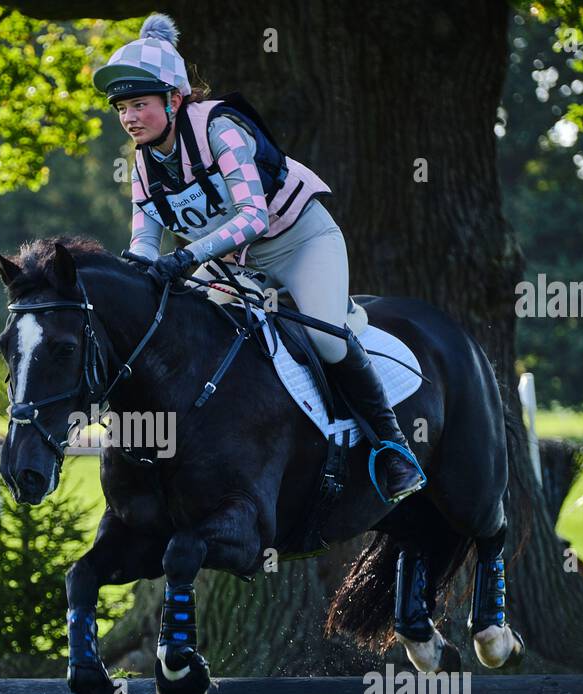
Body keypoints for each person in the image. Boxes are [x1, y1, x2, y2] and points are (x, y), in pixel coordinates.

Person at [92, 13, 424, 503]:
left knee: (323, 336)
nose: (129, 118)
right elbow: (144, 239)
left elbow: (253, 218)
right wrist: (136, 271)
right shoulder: (142, 164)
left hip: (298, 243)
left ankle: (393, 447)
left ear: (175, 99)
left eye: (140, 104)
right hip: (234, 264)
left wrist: (184, 261)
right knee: (190, 334)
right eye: (122, 108)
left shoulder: (221, 130)